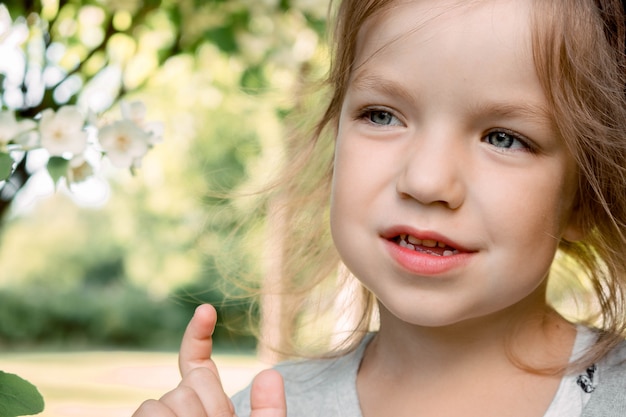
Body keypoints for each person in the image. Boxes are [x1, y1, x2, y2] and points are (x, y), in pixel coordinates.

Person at [132, 0, 626, 416]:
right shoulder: (267, 406)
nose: (426, 181)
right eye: (383, 115)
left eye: (504, 138)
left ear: (585, 196)